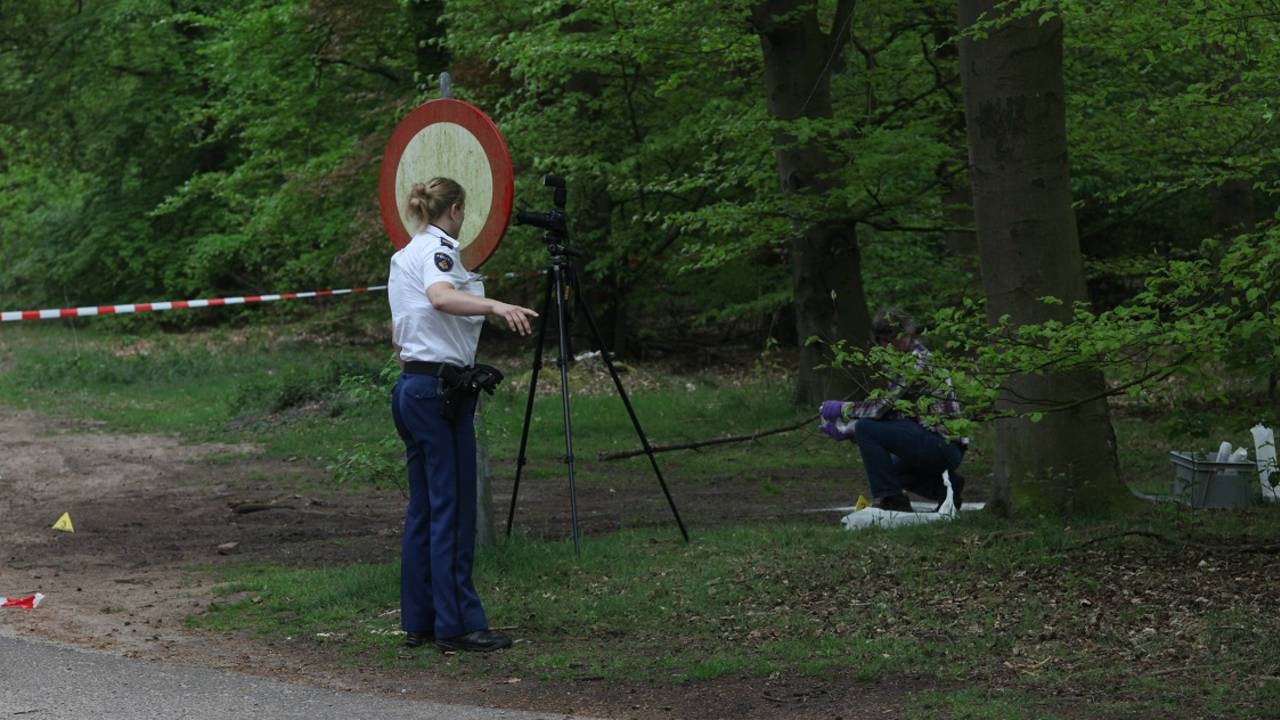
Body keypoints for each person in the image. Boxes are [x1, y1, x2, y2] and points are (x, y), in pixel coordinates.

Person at [388, 177, 538, 652]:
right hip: (438, 392)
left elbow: (400, 335)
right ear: (453, 209)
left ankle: (422, 621)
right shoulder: (438, 252)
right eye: (464, 210)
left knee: (425, 511)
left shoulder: (402, 254)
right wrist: (495, 304)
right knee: (452, 510)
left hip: (413, 385)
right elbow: (439, 297)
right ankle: (459, 626)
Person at [819, 309, 967, 512]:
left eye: (896, 338)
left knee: (866, 428)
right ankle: (947, 490)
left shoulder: (916, 361)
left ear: (908, 335)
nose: (891, 345)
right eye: (885, 340)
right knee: (891, 472)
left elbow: (881, 408)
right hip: (936, 443)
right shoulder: (903, 362)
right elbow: (895, 416)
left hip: (941, 444)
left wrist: (844, 409)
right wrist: (849, 430)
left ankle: (891, 498)